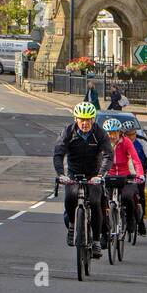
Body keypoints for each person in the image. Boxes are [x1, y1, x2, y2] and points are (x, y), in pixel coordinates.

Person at [53, 101, 114, 255]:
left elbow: (108, 155)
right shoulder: (68, 132)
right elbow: (58, 154)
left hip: (93, 174)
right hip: (74, 172)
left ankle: (95, 241)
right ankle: (73, 225)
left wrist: (100, 175)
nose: (85, 123)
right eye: (82, 119)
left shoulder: (99, 133)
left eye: (88, 120)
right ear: (76, 119)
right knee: (70, 197)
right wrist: (61, 174)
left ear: (93, 120)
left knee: (95, 202)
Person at [103, 117, 145, 238]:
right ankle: (105, 231)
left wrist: (140, 174)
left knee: (127, 197)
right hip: (109, 176)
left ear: (119, 132)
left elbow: (136, 160)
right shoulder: (103, 143)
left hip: (125, 176)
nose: (112, 136)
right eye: (109, 133)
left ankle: (131, 219)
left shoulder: (126, 142)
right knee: (104, 200)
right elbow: (97, 160)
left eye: (114, 132)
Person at [123, 120, 147, 236]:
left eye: (133, 134)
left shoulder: (142, 141)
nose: (131, 137)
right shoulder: (121, 141)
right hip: (125, 172)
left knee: (141, 196)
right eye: (128, 135)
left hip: (139, 172)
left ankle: (141, 223)